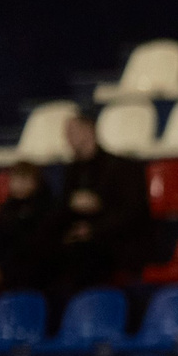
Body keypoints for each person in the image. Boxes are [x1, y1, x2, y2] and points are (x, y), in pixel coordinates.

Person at [52, 112, 148, 297]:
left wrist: (93, 227)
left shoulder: (121, 168)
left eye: (72, 131)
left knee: (83, 257)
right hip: (80, 241)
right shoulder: (72, 171)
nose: (67, 138)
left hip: (112, 243)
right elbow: (61, 210)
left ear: (89, 130)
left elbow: (133, 212)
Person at [0, 161, 56, 315]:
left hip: (27, 265)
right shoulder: (6, 207)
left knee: (24, 268)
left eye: (24, 179)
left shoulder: (45, 208)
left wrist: (3, 266)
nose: (18, 184)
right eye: (15, 179)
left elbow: (35, 244)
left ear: (35, 182)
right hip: (0, 264)